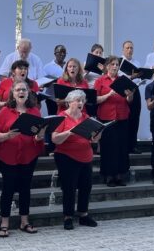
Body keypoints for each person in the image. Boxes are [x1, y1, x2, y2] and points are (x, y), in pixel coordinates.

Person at [0, 80, 44, 237]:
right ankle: (4, 223)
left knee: (25, 188)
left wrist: (40, 136)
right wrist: (7, 135)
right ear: (13, 93)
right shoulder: (5, 112)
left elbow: (37, 137)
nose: (21, 92)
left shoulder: (35, 112)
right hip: (7, 156)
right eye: (18, 90)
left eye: (24, 90)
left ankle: (24, 221)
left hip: (28, 155)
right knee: (8, 188)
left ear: (28, 93)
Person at [51, 89, 101, 230]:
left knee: (86, 186)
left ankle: (83, 214)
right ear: (69, 102)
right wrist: (70, 132)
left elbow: (95, 138)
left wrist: (97, 135)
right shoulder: (61, 117)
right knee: (69, 187)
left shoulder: (86, 117)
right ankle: (68, 217)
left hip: (86, 156)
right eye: (77, 100)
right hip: (66, 156)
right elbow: (55, 139)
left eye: (82, 100)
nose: (81, 103)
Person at [94, 56, 133, 186]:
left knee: (121, 147)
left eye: (117, 64)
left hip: (122, 117)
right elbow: (95, 100)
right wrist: (108, 94)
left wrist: (129, 96)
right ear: (107, 66)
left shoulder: (122, 80)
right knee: (108, 147)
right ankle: (109, 176)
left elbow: (129, 101)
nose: (115, 67)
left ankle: (119, 176)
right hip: (106, 117)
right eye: (112, 64)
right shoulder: (100, 81)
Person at [121, 40, 143, 154]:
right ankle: (124, 145)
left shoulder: (137, 62)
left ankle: (133, 145)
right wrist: (131, 77)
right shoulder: (119, 63)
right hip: (123, 92)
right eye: (127, 48)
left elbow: (139, 78)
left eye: (131, 48)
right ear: (123, 49)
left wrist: (141, 78)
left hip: (135, 90)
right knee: (125, 119)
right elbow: (119, 78)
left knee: (135, 118)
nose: (130, 50)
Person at [42, 44, 67, 116]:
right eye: (60, 52)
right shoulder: (47, 67)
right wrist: (55, 81)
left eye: (64, 52)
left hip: (66, 99)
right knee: (53, 120)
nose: (62, 54)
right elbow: (43, 84)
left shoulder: (68, 66)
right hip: (52, 99)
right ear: (55, 54)